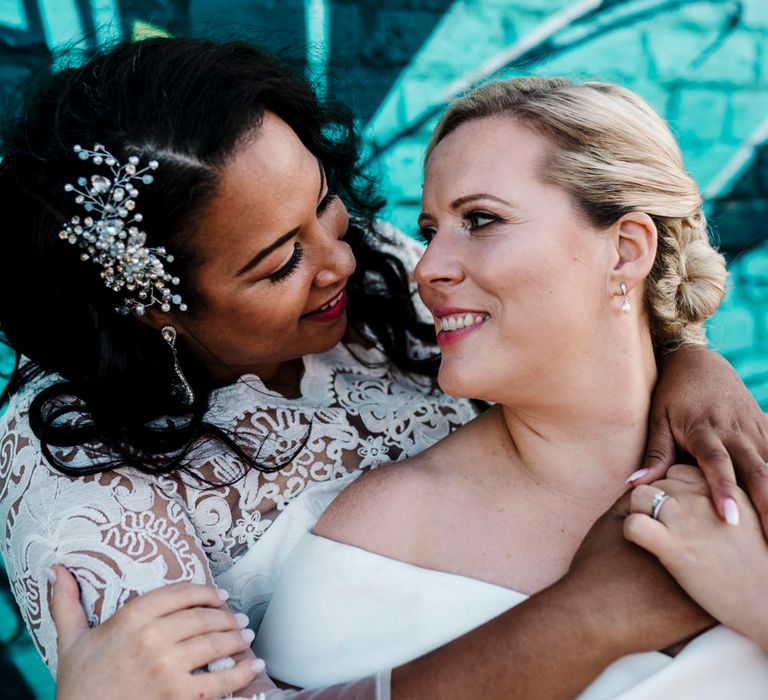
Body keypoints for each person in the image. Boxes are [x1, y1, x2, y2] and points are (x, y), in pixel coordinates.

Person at [0, 37, 762, 699]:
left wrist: (690, 362)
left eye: (325, 203)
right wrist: (591, 615)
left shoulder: (374, 282)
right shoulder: (82, 479)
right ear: (154, 307)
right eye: (279, 264)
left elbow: (562, 317)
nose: (341, 260)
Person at [241, 77, 768, 698]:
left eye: (481, 220)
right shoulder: (384, 539)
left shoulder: (746, 466)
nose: (429, 267)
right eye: (431, 228)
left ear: (625, 251)